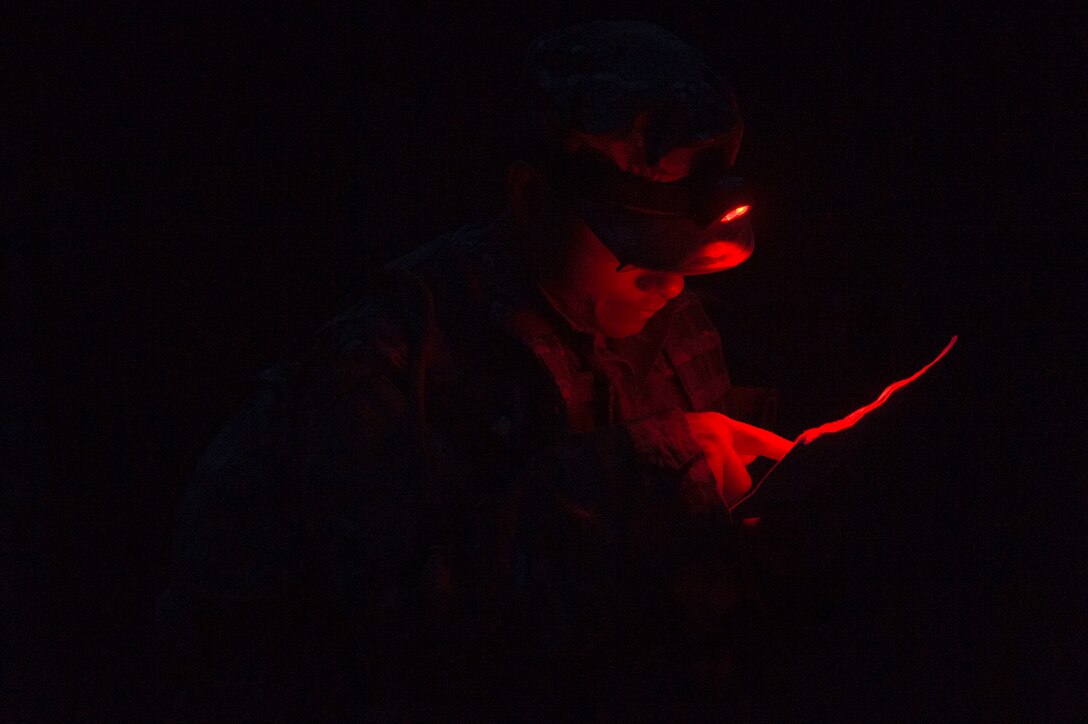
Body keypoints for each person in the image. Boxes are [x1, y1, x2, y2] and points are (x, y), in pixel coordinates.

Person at [157, 19, 791, 719]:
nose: (669, 281)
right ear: (530, 200)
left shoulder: (677, 327)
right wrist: (631, 478)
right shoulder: (393, 358)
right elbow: (392, 638)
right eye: (634, 244)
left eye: (685, 248)